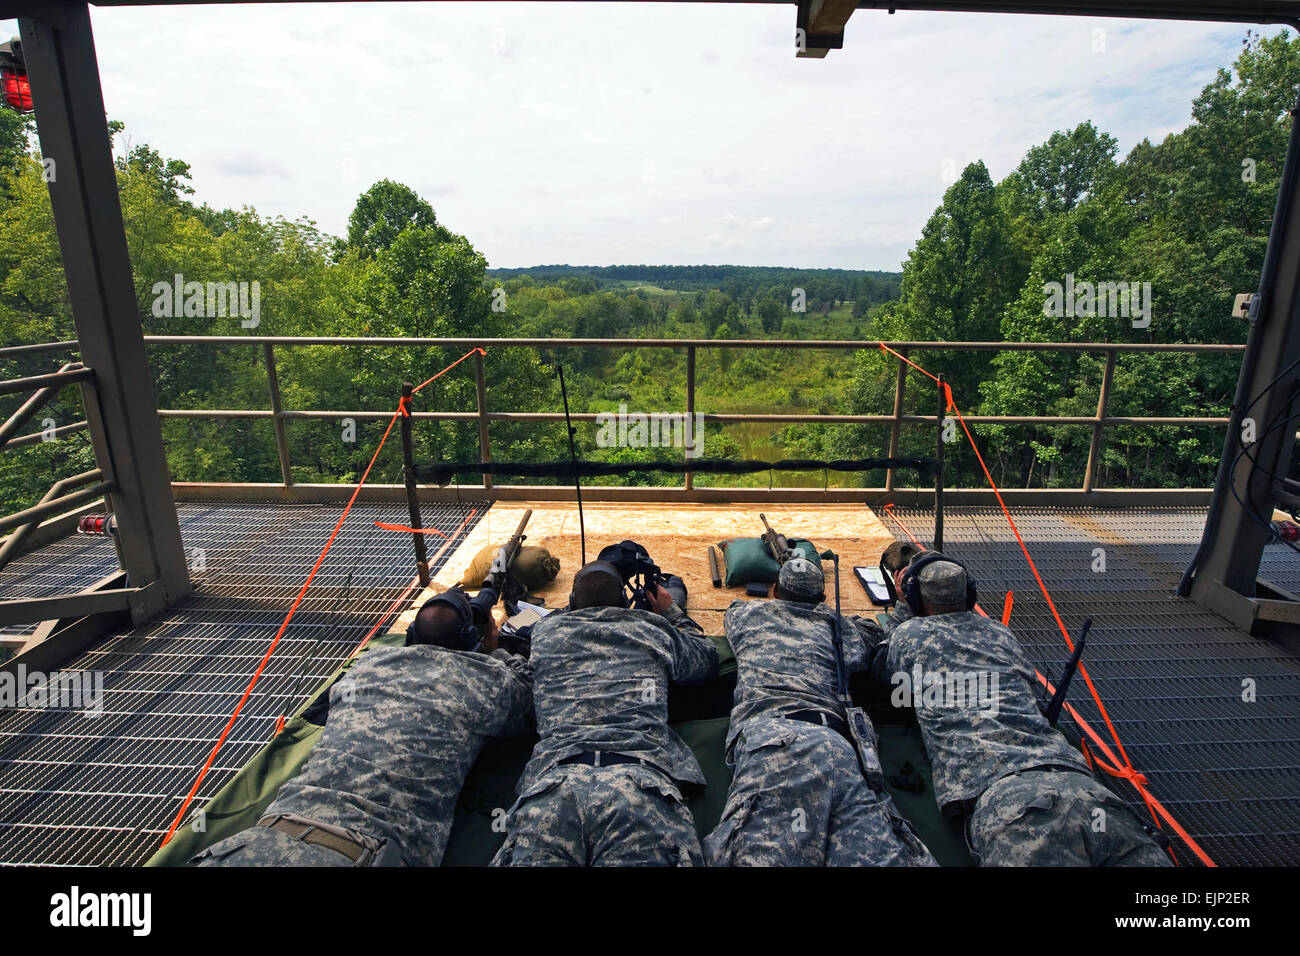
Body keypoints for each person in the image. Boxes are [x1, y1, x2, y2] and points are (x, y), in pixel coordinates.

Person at [192, 585, 533, 867]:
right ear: (473, 642)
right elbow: (533, 696)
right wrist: (492, 651)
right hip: (358, 854)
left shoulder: (366, 664)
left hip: (259, 839)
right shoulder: (488, 681)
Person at [870, 550, 1171, 867]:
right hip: (1090, 793)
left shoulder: (910, 634)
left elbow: (882, 670)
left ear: (917, 598)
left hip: (1015, 802)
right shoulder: (1001, 633)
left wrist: (903, 608)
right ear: (970, 594)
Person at [705, 557, 936, 867]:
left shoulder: (744, 615)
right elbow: (883, 640)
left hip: (774, 745)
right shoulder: (841, 628)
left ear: (774, 590)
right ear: (823, 599)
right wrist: (903, 605)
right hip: (838, 748)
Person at [492, 559, 719, 866]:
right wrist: (671, 613)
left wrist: (499, 653)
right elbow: (704, 661)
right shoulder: (651, 628)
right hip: (640, 787)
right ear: (625, 603)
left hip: (554, 789)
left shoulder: (547, 632)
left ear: (572, 602)